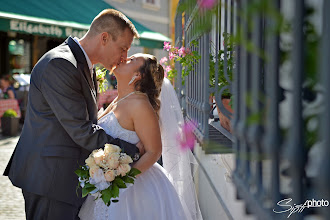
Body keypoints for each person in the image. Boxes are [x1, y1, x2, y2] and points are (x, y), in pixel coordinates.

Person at [3, 9, 143, 220]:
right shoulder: (60, 64)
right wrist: (134, 151)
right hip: (50, 180)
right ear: (104, 38)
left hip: (63, 179)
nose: (124, 57)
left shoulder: (83, 65)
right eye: (123, 49)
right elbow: (82, 130)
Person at [79, 53, 202, 220]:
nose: (124, 58)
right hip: (107, 182)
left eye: (131, 60)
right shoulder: (120, 100)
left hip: (134, 190)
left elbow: (154, 151)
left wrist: (122, 177)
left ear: (137, 75)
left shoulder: (139, 104)